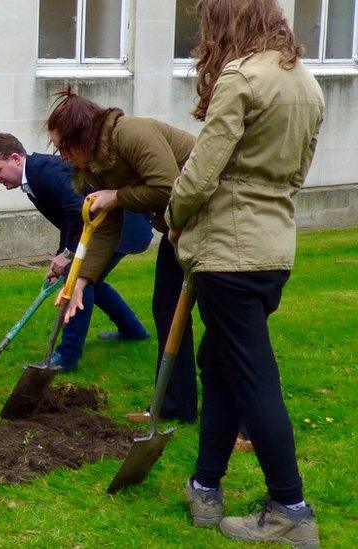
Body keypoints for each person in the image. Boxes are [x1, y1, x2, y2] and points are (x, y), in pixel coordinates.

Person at [168, 0, 323, 544]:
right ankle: (205, 488)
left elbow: (200, 172)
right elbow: (298, 172)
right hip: (273, 250)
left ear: (227, 22)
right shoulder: (307, 81)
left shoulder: (241, 77)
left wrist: (173, 217)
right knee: (222, 365)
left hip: (228, 253)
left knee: (253, 377)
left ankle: (291, 509)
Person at [45, 90, 199, 424]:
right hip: (180, 230)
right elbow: (105, 224)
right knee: (167, 309)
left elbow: (169, 187)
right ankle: (175, 407)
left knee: (225, 321)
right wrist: (82, 280)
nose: (62, 156)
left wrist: (117, 195)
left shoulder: (130, 133)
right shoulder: (95, 163)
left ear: (81, 135)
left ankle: (245, 425)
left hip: (213, 222)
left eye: (63, 147)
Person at [0, 133, 150, 372]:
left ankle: (67, 358)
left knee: (80, 283)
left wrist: (68, 255)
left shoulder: (44, 172)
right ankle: (133, 331)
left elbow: (76, 209)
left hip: (117, 228)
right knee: (91, 282)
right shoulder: (32, 177)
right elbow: (68, 220)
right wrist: (61, 256)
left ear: (15, 158)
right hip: (104, 228)